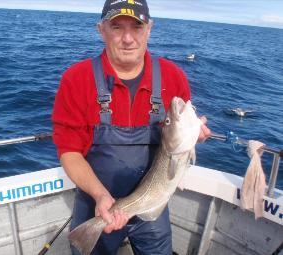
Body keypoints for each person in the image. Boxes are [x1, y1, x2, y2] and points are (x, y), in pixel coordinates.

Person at [52, 0, 211, 254]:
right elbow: (69, 151)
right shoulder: (76, 79)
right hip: (97, 202)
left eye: (137, 27)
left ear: (149, 29)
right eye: (117, 27)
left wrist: (193, 137)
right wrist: (101, 196)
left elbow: (176, 141)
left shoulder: (174, 76)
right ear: (101, 30)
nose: (128, 38)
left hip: (152, 203)